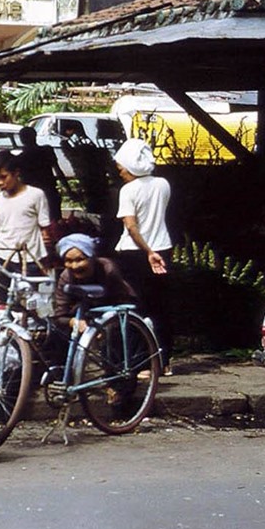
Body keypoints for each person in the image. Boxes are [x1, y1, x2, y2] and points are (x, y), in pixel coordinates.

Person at [112, 138, 173, 375]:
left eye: (122, 169)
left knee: (135, 309)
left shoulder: (128, 191)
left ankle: (142, 363)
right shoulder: (163, 184)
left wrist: (148, 251)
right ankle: (164, 361)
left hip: (135, 254)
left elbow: (131, 226)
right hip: (163, 248)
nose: (121, 173)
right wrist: (156, 251)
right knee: (161, 308)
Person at [50, 233, 138, 364]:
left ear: (92, 257)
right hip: (82, 313)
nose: (74, 266)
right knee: (56, 333)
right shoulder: (66, 277)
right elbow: (60, 314)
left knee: (117, 335)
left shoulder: (108, 270)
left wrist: (105, 326)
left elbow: (122, 301)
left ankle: (118, 380)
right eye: (69, 261)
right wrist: (74, 322)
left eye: (80, 259)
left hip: (110, 311)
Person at [0, 149, 51, 276]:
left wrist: (47, 258)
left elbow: (45, 228)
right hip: (2, 255)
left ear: (16, 173)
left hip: (30, 258)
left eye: (4, 177)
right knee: (3, 294)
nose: (0, 183)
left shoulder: (36, 195)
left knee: (28, 295)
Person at [17, 126, 66, 221]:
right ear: (35, 136)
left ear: (21, 140)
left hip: (30, 197)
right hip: (49, 193)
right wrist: (68, 190)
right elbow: (58, 171)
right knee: (54, 225)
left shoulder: (20, 158)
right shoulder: (47, 151)